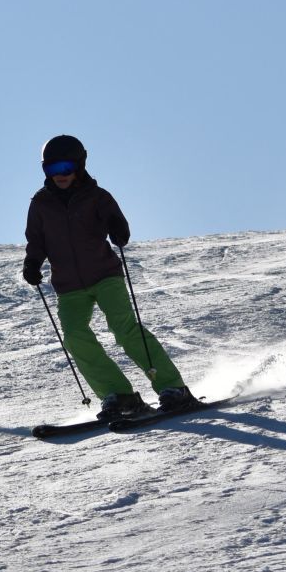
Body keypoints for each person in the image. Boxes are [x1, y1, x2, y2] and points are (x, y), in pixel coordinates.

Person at [23, 135, 195, 419]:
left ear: (79, 165)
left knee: (124, 328)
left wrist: (118, 230)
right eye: (52, 169)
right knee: (75, 337)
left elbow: (119, 224)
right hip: (69, 286)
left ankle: (173, 387)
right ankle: (120, 395)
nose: (60, 175)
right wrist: (32, 264)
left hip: (105, 275)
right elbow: (36, 240)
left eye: (65, 167)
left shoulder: (96, 196)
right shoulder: (41, 204)